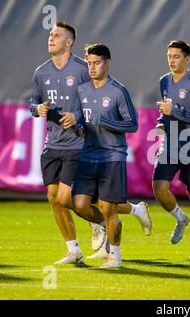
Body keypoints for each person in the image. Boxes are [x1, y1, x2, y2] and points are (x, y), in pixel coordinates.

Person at [29, 22, 152, 265]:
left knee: (72, 199)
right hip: (52, 142)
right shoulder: (41, 72)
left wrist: (85, 120)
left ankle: (102, 227)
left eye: (56, 35)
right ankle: (74, 250)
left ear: (69, 42)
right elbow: (33, 102)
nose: (50, 38)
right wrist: (38, 109)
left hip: (80, 143)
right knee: (56, 199)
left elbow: (101, 99)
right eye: (50, 35)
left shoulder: (84, 70)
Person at [72, 44, 140, 268]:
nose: (92, 67)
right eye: (89, 62)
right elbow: (82, 120)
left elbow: (132, 124)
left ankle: (115, 256)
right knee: (79, 204)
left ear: (108, 63)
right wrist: (79, 127)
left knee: (109, 208)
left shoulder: (118, 91)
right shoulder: (81, 90)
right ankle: (103, 227)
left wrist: (104, 122)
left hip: (112, 156)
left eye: (97, 62)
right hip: (88, 155)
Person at [152, 40, 190, 258]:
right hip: (169, 144)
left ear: (187, 59)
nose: (172, 61)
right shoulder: (164, 81)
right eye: (169, 56)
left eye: (176, 57)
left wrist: (173, 111)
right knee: (159, 187)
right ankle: (180, 218)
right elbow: (165, 110)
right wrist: (160, 120)